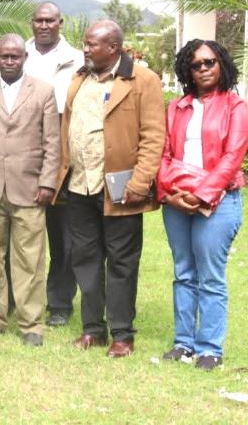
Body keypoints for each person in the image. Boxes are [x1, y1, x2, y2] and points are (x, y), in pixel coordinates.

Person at [57, 20, 164, 358]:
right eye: (86, 44)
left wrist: (140, 182)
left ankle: (122, 334)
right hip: (79, 185)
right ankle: (93, 329)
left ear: (114, 48)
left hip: (121, 188)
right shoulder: (80, 78)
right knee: (85, 259)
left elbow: (153, 135)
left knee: (121, 262)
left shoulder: (143, 79)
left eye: (92, 44)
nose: (86, 49)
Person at [0, 34, 60, 346]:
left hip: (29, 187)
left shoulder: (43, 91)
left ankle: (32, 325)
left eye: (15, 56)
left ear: (24, 58)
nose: (9, 61)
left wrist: (47, 182)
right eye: (4, 56)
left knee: (30, 258)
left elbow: (52, 142)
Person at [157, 39, 248, 371]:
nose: (204, 69)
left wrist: (201, 194)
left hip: (219, 202)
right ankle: (183, 344)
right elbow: (164, 155)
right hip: (178, 202)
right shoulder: (176, 108)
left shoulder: (234, 106)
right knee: (184, 273)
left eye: (210, 62)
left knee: (210, 276)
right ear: (188, 71)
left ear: (221, 64)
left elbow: (231, 158)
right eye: (196, 65)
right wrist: (174, 194)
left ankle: (210, 348)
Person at [25, 1, 83, 327]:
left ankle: (59, 303)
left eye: (50, 20)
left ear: (60, 22)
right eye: (38, 20)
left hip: (63, 156)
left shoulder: (78, 60)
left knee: (64, 236)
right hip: (23, 154)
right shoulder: (17, 54)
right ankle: (17, 298)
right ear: (31, 23)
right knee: (21, 233)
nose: (44, 25)